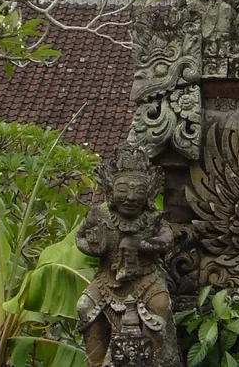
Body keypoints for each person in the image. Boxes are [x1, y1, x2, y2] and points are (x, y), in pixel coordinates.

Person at [76, 144, 181, 367]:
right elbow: (80, 237)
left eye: (139, 191)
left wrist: (139, 244)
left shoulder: (152, 219)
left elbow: (168, 242)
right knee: (85, 306)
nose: (131, 197)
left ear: (149, 194)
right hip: (107, 280)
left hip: (146, 279)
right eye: (123, 190)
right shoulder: (99, 214)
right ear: (111, 191)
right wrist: (95, 247)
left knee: (160, 305)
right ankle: (95, 362)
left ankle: (155, 361)